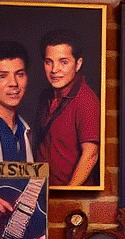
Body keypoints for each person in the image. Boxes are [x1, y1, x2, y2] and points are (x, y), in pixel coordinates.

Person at [33, 29, 101, 188]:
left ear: (78, 64)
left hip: (68, 195)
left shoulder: (85, 100)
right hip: (43, 192)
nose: (54, 69)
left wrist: (66, 194)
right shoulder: (45, 96)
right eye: (49, 62)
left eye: (64, 62)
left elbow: (91, 155)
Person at [0, 39, 32, 222]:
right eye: (2, 76)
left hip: (14, 236)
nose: (13, 83)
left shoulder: (28, 131)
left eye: (19, 74)